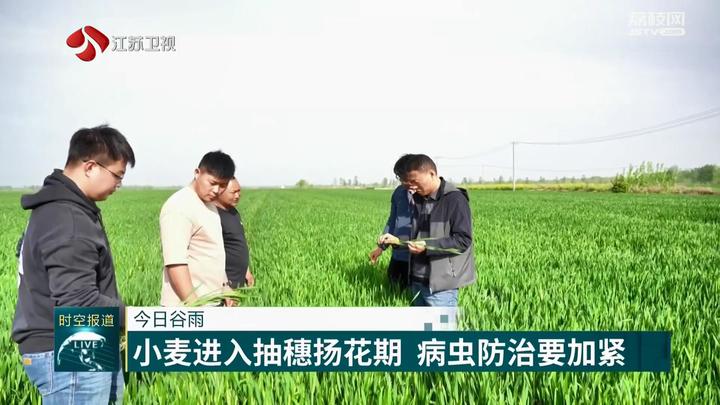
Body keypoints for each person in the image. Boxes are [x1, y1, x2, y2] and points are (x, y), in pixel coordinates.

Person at [13, 124, 134, 404]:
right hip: (69, 347)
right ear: (90, 167)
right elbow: (79, 301)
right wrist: (133, 318)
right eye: (117, 176)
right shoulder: (67, 218)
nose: (118, 185)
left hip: (83, 340)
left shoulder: (57, 208)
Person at [379, 154, 476, 307]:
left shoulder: (454, 199)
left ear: (431, 173)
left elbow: (463, 240)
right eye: (407, 182)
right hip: (416, 281)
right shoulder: (418, 199)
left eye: (414, 181)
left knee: (441, 323)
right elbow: (418, 238)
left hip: (441, 287)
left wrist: (427, 246)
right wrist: (397, 241)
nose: (411, 187)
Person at [159, 151, 235, 306]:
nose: (216, 190)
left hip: (210, 301)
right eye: (212, 183)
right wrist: (195, 306)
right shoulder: (180, 206)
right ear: (197, 173)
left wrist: (225, 286)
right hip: (186, 306)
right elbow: (176, 263)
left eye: (223, 185)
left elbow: (212, 252)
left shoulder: (209, 205)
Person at [369, 154, 414, 288]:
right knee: (392, 290)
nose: (403, 182)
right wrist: (381, 247)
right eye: (400, 178)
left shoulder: (426, 195)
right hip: (398, 254)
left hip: (417, 257)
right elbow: (392, 220)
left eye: (405, 177)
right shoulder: (399, 193)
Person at [214, 177, 255, 290]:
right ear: (219, 191)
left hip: (239, 280)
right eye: (233, 192)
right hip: (226, 284)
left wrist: (246, 271)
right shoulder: (214, 216)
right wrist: (225, 286)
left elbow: (238, 243)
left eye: (239, 191)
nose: (237, 196)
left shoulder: (233, 212)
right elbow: (213, 257)